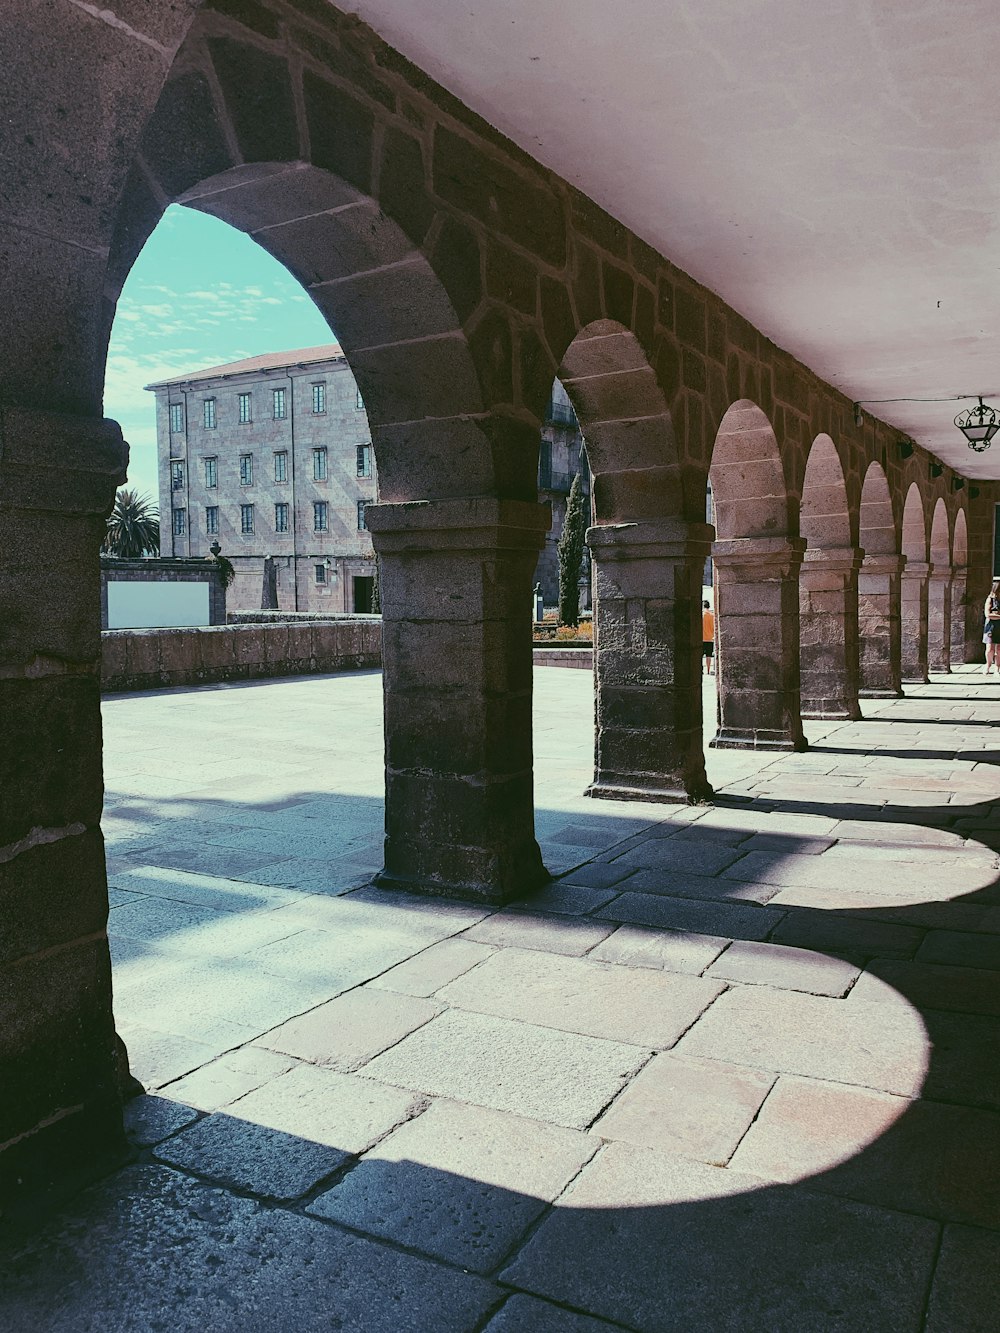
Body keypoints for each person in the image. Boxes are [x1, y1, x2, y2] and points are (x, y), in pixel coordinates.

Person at [984, 582, 1000, 674]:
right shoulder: (990, 599)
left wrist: (996, 615)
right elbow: (988, 614)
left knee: (999, 649)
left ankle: (997, 667)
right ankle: (988, 665)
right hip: (991, 626)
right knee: (990, 648)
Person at [702, 599, 715, 675]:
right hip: (710, 638)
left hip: (701, 638)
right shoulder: (712, 615)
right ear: (709, 606)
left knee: (700, 655)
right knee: (709, 655)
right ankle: (708, 670)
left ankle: (701, 670)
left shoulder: (701, 615)